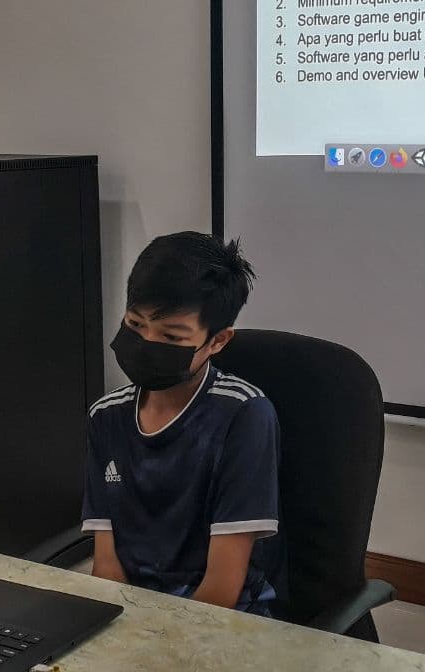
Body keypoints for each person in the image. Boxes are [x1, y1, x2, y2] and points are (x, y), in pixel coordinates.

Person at [80, 232, 281, 616]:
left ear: (217, 341)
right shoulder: (106, 416)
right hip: (134, 616)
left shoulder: (244, 416)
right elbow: (106, 566)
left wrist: (156, 639)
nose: (147, 342)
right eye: (135, 324)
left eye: (171, 336)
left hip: (220, 620)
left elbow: (222, 589)